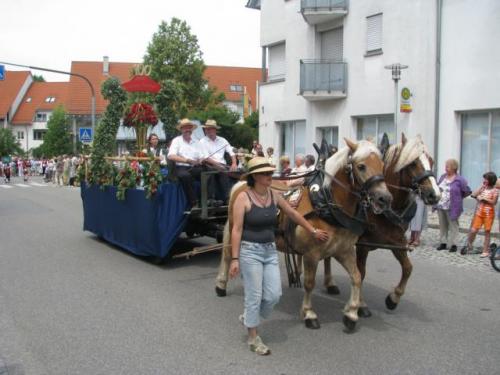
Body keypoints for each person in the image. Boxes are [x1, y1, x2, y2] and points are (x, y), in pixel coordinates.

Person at [228, 157, 329, 355]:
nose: (270, 176)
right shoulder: (243, 198)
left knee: (274, 295)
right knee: (254, 295)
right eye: (266, 173)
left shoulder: (274, 195)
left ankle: (250, 315)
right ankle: (253, 337)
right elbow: (237, 230)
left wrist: (312, 230)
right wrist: (234, 259)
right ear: (255, 176)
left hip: (269, 251)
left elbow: (293, 214)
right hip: (250, 251)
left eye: (270, 172)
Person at [434, 159, 471, 252]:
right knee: (443, 225)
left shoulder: (460, 179)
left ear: (454, 168)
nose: (445, 168)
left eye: (448, 166)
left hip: (453, 207)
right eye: (445, 166)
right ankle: (443, 242)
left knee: (453, 225)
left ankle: (454, 244)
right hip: (441, 205)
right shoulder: (443, 177)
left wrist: (457, 199)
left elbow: (466, 191)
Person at [198, 119, 237, 204]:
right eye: (207, 129)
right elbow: (206, 158)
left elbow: (231, 151)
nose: (208, 130)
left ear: (215, 130)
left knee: (239, 172)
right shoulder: (202, 141)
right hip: (209, 164)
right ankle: (214, 199)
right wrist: (219, 166)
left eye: (210, 128)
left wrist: (234, 163)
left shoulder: (223, 140)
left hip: (222, 165)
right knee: (219, 171)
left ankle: (235, 196)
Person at [461, 172, 498, 257]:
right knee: (473, 230)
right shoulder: (483, 188)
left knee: (487, 231)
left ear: (491, 180)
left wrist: (485, 199)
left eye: (486, 179)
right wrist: (481, 188)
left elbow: (494, 202)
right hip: (479, 212)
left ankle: (485, 250)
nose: (484, 180)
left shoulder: (495, 190)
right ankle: (469, 245)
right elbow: (473, 195)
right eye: (484, 179)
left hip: (488, 214)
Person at [167, 118, 203, 208]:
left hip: (195, 167)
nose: (187, 130)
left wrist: (200, 160)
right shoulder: (176, 141)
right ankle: (194, 202)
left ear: (192, 130)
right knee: (185, 176)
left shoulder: (197, 142)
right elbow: (171, 156)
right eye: (185, 128)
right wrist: (188, 160)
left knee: (208, 172)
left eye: (189, 128)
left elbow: (202, 156)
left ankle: (211, 199)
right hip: (180, 167)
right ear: (181, 129)